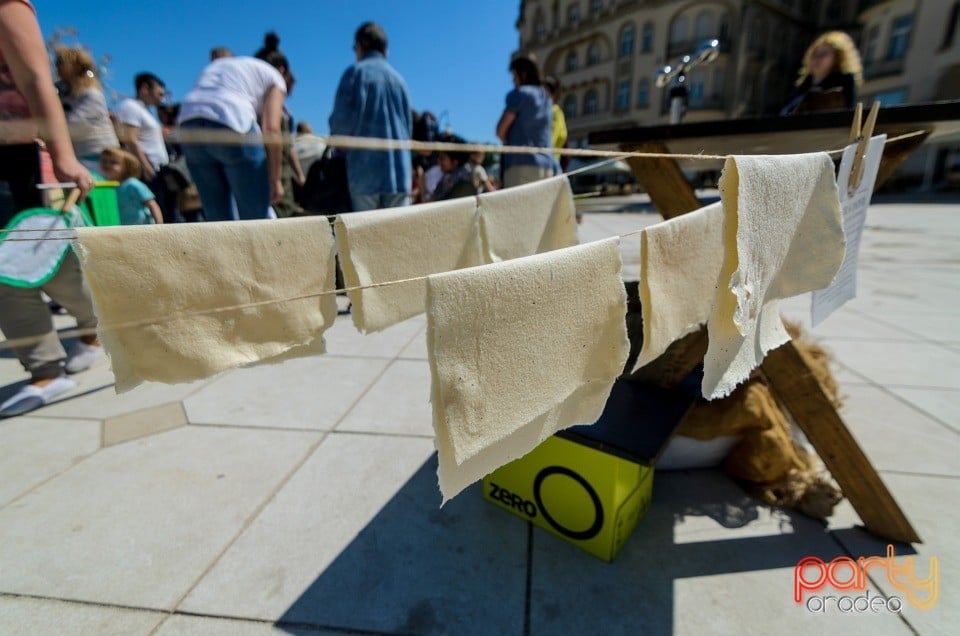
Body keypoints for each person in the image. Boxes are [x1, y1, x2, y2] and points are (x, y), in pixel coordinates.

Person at [0, 0, 101, 417]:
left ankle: (95, 327)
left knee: (42, 259)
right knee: (4, 269)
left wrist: (64, 156)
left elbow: (35, 78)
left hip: (12, 154)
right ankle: (44, 368)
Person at [177, 33, 289, 221]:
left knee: (217, 221)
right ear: (284, 70)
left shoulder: (221, 66)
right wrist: (275, 180)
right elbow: (272, 130)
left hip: (188, 124)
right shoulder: (275, 77)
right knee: (255, 219)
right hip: (233, 121)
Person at [329, 22, 412, 211]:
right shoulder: (400, 82)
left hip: (363, 176)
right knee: (397, 237)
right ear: (386, 51)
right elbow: (407, 130)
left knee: (363, 237)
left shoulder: (355, 74)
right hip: (400, 175)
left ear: (359, 47)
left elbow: (339, 130)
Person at [54, 46, 119, 174]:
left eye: (61, 63)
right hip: (80, 155)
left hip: (97, 158)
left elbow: (74, 125)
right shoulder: (65, 93)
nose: (57, 67)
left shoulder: (91, 94)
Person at [496, 56, 555, 188]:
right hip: (547, 165)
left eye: (514, 77)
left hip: (521, 164)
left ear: (523, 74)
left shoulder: (519, 94)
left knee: (516, 207)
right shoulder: (547, 98)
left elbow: (500, 131)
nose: (513, 81)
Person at [781, 31, 861, 115]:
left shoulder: (844, 81)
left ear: (837, 57)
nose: (817, 58)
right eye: (815, 54)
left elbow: (847, 113)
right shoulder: (802, 85)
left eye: (823, 54)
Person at [117, 72, 170, 197]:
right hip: (147, 171)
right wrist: (146, 167)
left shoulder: (146, 111)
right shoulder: (130, 106)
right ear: (145, 88)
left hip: (158, 170)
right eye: (159, 94)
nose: (162, 99)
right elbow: (130, 139)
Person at [99, 147, 163, 225]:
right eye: (104, 161)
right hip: (123, 230)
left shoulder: (133, 184)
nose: (107, 165)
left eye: (113, 162)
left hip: (142, 228)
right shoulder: (107, 186)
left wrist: (159, 225)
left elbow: (152, 204)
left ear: (127, 167)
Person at [430, 135, 476, 201]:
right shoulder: (448, 177)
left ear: (455, 161)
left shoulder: (463, 185)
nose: (438, 161)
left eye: (442, 158)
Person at [543, 75, 569, 171]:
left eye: (544, 92)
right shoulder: (553, 112)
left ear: (553, 94)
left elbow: (549, 141)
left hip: (549, 166)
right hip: (549, 164)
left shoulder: (555, 112)